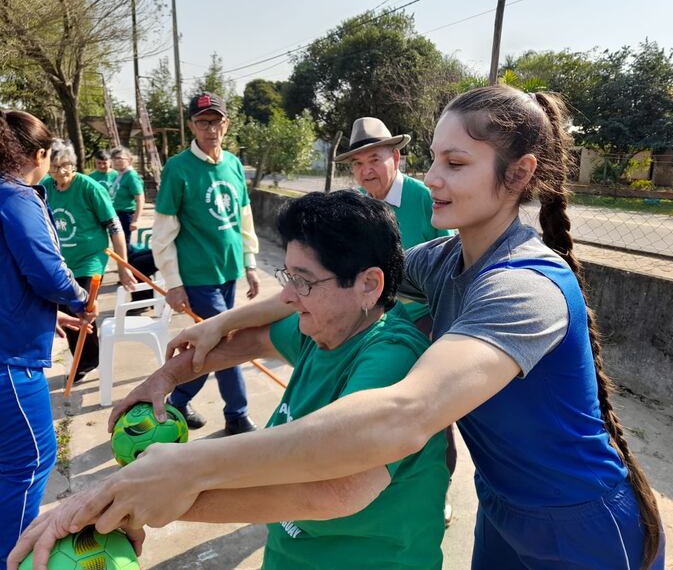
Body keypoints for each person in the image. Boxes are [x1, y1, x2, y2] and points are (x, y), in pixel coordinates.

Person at [12, 86, 667, 570]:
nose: (432, 179)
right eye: (434, 160)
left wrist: (187, 468)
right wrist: (220, 327)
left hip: (581, 521)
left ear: (518, 174)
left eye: (457, 164)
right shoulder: (443, 262)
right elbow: (327, 282)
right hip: (503, 510)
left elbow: (400, 416)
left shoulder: (523, 286)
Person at [9, 191, 449, 570]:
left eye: (304, 281)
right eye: (288, 276)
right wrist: (163, 378)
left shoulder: (391, 358)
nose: (289, 297)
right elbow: (247, 342)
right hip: (292, 555)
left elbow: (336, 489)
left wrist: (147, 500)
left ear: (369, 285)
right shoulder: (321, 327)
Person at [336, 116, 457, 523]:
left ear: (397, 157)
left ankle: (437, 491)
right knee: (376, 406)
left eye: (375, 159)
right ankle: (373, 485)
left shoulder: (427, 199)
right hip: (380, 321)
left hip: (427, 320)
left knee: (434, 412)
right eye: (358, 164)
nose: (367, 170)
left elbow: (455, 261)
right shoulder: (359, 205)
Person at [0, 110, 94, 567]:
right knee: (33, 460)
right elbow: (47, 270)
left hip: (11, 339)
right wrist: (76, 298)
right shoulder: (16, 196)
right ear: (38, 155)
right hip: (9, 363)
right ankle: (12, 557)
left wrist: (47, 315)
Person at [151, 91, 260, 435]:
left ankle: (178, 401)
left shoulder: (233, 165)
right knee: (226, 344)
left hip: (228, 271)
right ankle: (237, 414)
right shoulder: (178, 169)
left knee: (210, 344)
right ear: (191, 125)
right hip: (197, 277)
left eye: (216, 121)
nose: (210, 129)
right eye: (202, 122)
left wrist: (250, 263)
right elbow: (163, 232)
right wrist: (173, 283)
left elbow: (244, 217)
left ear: (226, 124)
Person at [41, 139, 136, 382]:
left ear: (73, 164)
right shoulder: (45, 187)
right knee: (64, 309)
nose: (61, 172)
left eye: (66, 165)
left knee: (80, 306)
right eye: (54, 167)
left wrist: (123, 267)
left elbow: (114, 227)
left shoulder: (89, 187)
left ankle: (85, 363)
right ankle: (87, 358)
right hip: (62, 262)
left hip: (90, 260)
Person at [108, 146, 145, 247]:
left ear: (129, 159)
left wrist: (136, 220)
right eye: (114, 159)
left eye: (120, 158)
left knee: (123, 247)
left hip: (125, 215)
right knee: (117, 247)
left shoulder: (131, 176)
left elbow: (140, 199)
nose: (116, 161)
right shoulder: (118, 175)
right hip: (115, 214)